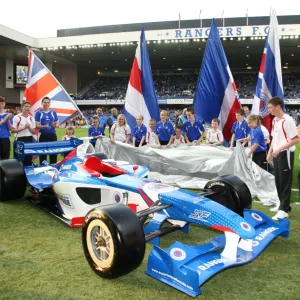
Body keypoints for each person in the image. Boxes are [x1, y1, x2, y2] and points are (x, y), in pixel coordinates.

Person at [267, 97, 299, 220]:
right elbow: (274, 138)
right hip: (276, 153)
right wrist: (270, 152)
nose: (269, 110)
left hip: (285, 154)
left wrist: (279, 149)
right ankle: (282, 204)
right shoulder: (275, 120)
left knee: (285, 181)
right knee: (278, 180)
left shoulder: (288, 120)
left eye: (270, 107)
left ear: (278, 107)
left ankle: (284, 210)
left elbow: (295, 139)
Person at [35, 97, 59, 164]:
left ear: (50, 103)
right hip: (43, 135)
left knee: (53, 154)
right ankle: (43, 169)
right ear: (42, 103)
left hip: (52, 135)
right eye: (45, 102)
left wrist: (55, 125)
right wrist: (44, 127)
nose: (46, 104)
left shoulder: (53, 112)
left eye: (48, 102)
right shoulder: (38, 113)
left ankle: (53, 168)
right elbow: (37, 126)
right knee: (43, 155)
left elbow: (57, 124)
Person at [11, 101, 35, 166]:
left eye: (29, 107)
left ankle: (28, 173)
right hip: (20, 139)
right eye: (26, 106)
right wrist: (23, 128)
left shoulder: (31, 118)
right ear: (22, 107)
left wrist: (29, 127)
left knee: (29, 157)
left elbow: (33, 131)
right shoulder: (17, 117)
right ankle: (20, 174)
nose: (28, 108)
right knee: (20, 158)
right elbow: (12, 130)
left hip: (29, 138)